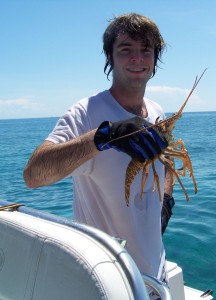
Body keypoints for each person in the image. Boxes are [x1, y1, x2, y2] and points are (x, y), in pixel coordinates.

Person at [23, 13, 175, 287]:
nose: (137, 58)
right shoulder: (85, 112)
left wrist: (166, 202)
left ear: (155, 59)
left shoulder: (156, 111)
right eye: (126, 49)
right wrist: (104, 136)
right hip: (108, 279)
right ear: (110, 57)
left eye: (146, 50)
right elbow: (34, 175)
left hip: (156, 273)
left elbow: (168, 161)